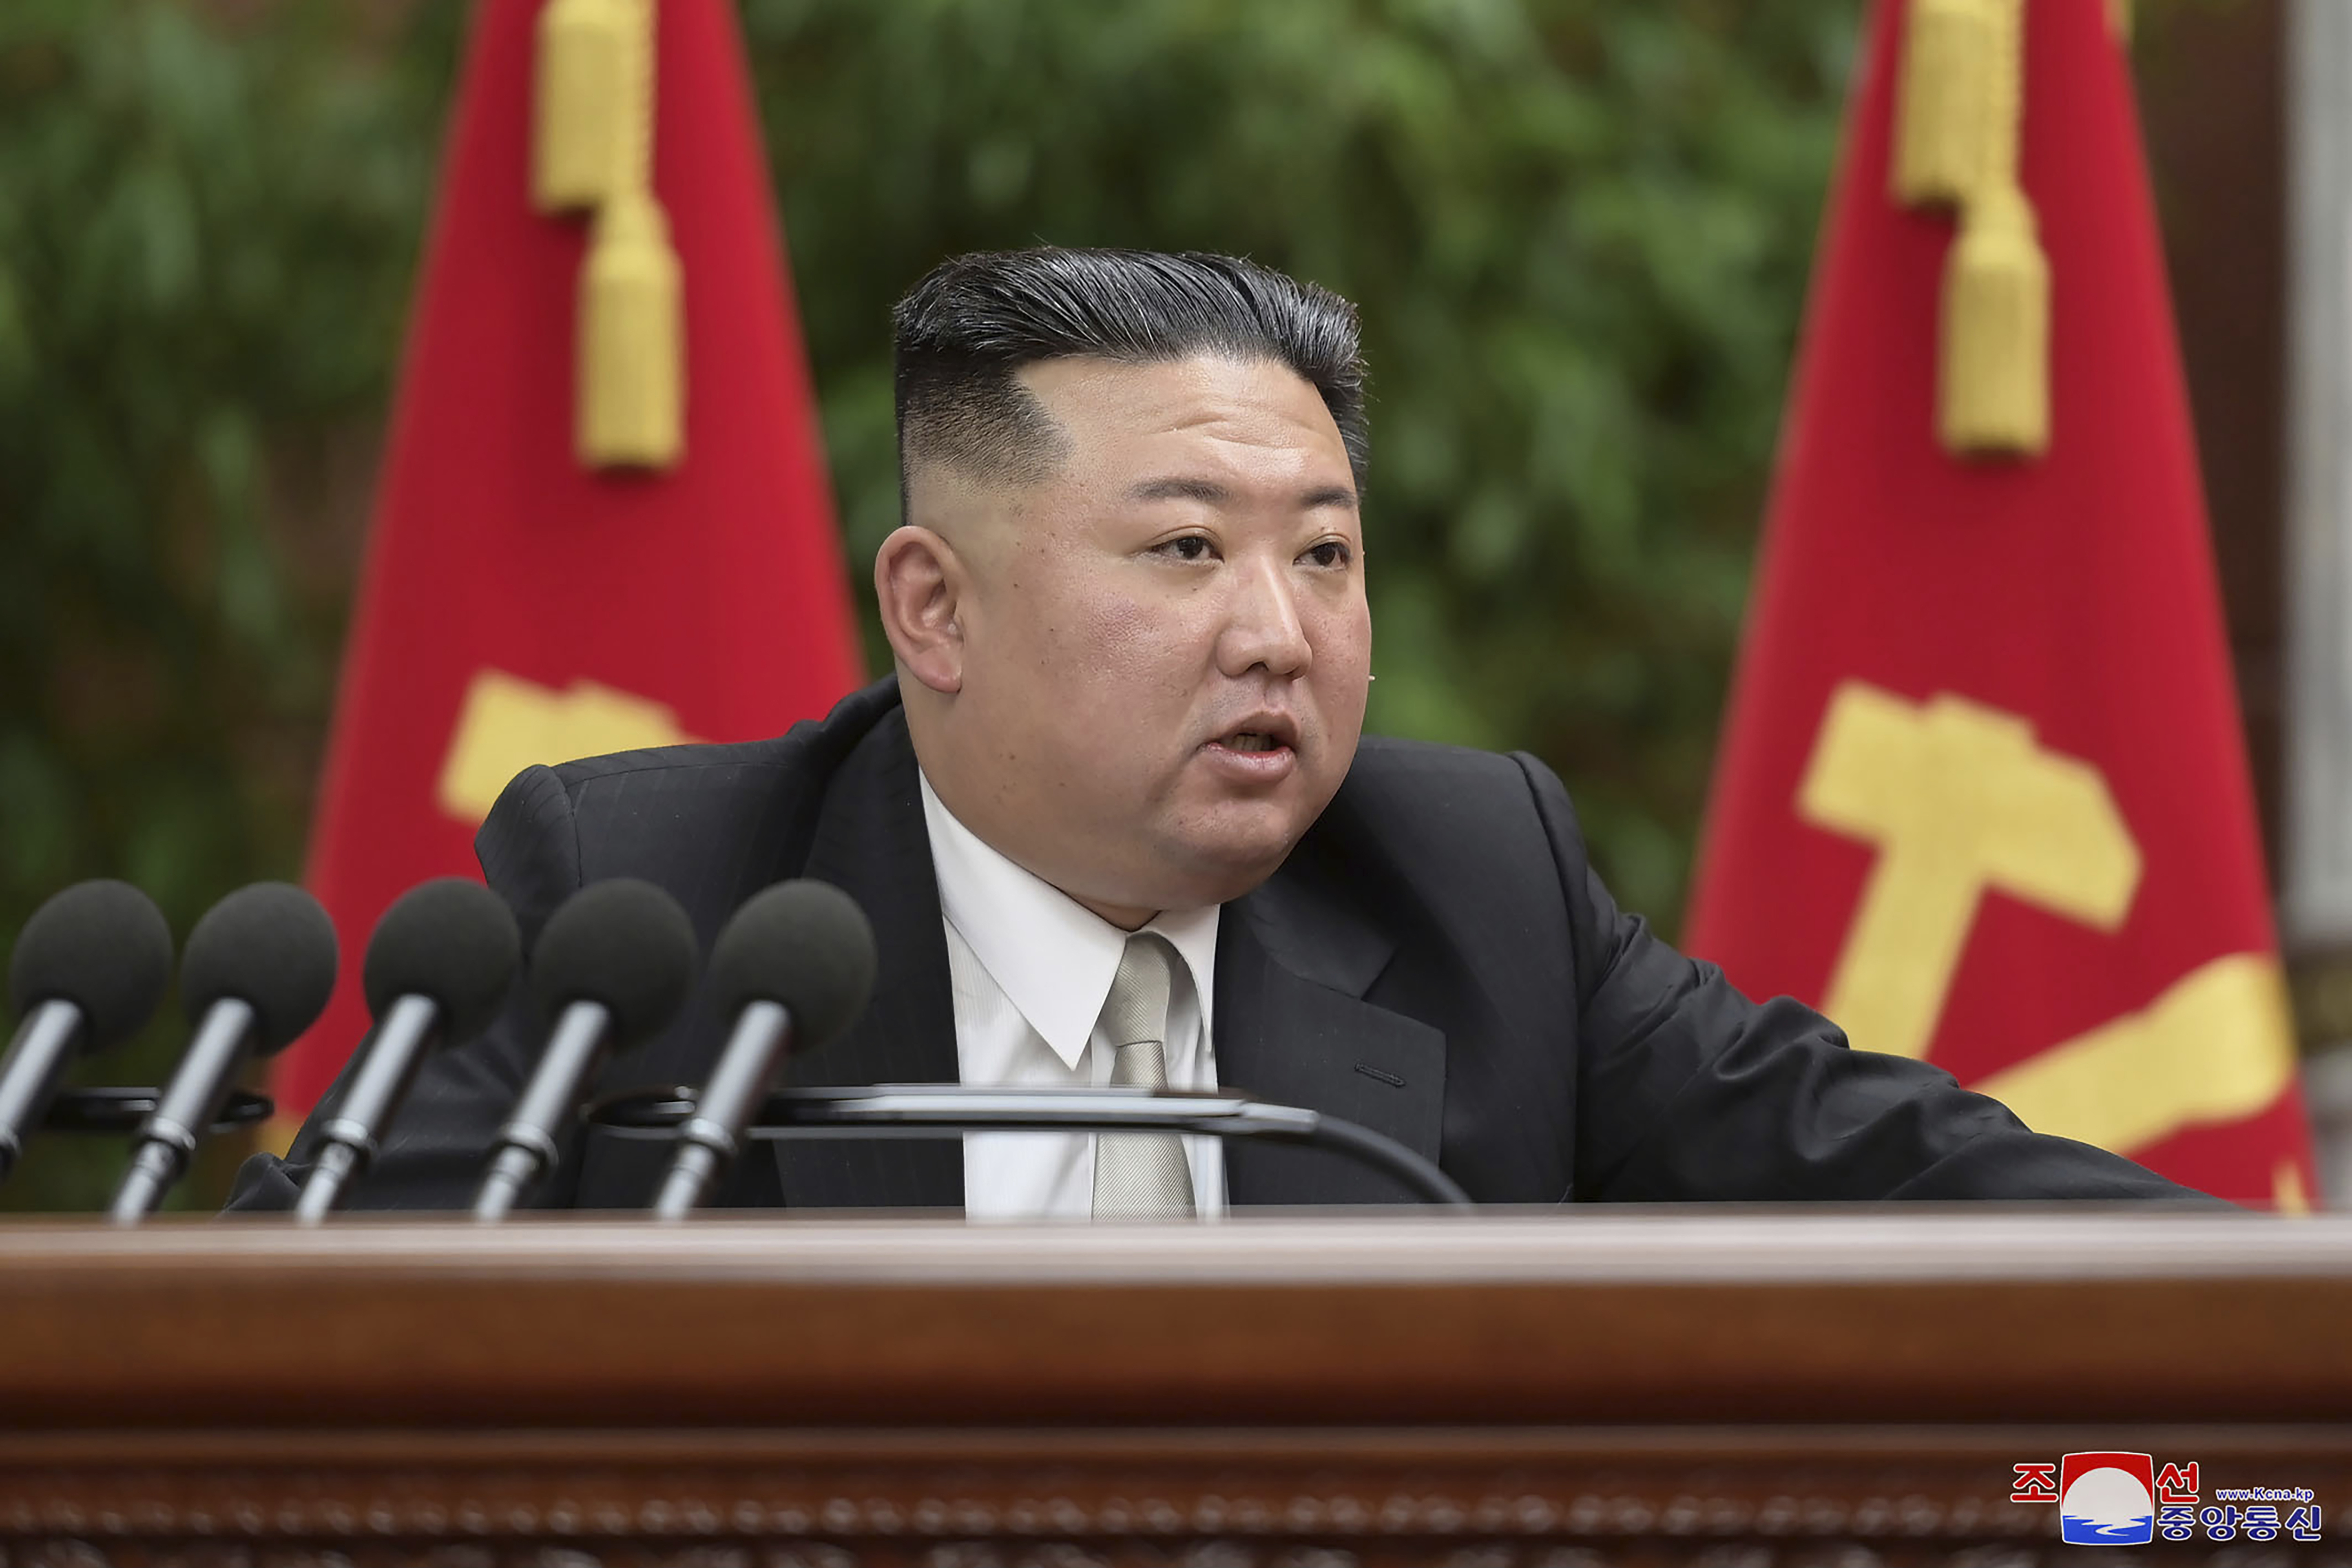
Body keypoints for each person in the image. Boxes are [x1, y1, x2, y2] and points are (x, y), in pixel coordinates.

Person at [231, 247, 2203, 1215]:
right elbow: (287, 1359)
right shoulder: (648, 913)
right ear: (932, 608)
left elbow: (1903, 1180)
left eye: (1323, 555)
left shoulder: (1472, 887)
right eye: (1182, 549)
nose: (1278, 633)